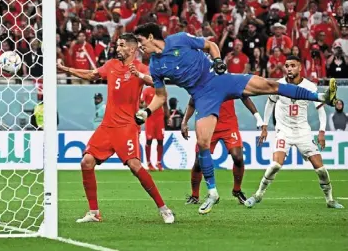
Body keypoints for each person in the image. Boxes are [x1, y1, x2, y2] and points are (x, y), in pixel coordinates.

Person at [133, 23, 337, 215]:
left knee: (270, 85)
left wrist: (218, 61)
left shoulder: (179, 39)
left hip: (221, 79)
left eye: (140, 41)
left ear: (151, 37)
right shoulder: (155, 65)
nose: (140, 46)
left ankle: (320, 96)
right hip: (203, 96)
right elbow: (160, 96)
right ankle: (212, 192)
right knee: (203, 142)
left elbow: (210, 45)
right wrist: (147, 112)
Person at [57, 33, 174, 224]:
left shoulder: (141, 68)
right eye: (117, 45)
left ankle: (164, 209)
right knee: (86, 162)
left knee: (135, 166)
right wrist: (66, 69)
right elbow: (92, 74)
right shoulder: (111, 65)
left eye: (121, 45)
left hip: (126, 126)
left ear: (132, 49)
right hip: (107, 126)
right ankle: (94, 212)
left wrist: (141, 76)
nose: (117, 48)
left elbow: (159, 85)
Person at [245, 56, 343, 209]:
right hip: (283, 130)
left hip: (303, 131)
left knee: (321, 169)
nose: (289, 68)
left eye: (292, 65)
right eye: (286, 66)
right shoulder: (279, 85)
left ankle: (330, 200)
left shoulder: (310, 86)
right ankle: (257, 195)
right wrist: (264, 126)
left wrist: (322, 131)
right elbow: (270, 104)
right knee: (276, 165)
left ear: (299, 68)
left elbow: (320, 110)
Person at [181, 98, 262, 205]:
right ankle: (195, 196)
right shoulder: (201, 83)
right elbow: (191, 103)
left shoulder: (230, 81)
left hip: (229, 125)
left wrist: (258, 117)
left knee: (238, 157)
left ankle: (237, 190)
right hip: (208, 125)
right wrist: (184, 122)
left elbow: (244, 96)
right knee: (198, 162)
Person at [140, 86, 168, 171]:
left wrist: (168, 116)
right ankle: (148, 163)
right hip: (150, 118)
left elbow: (165, 104)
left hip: (159, 118)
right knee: (149, 140)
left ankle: (159, 162)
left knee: (160, 140)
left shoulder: (162, 90)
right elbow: (140, 103)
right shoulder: (147, 90)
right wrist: (144, 107)